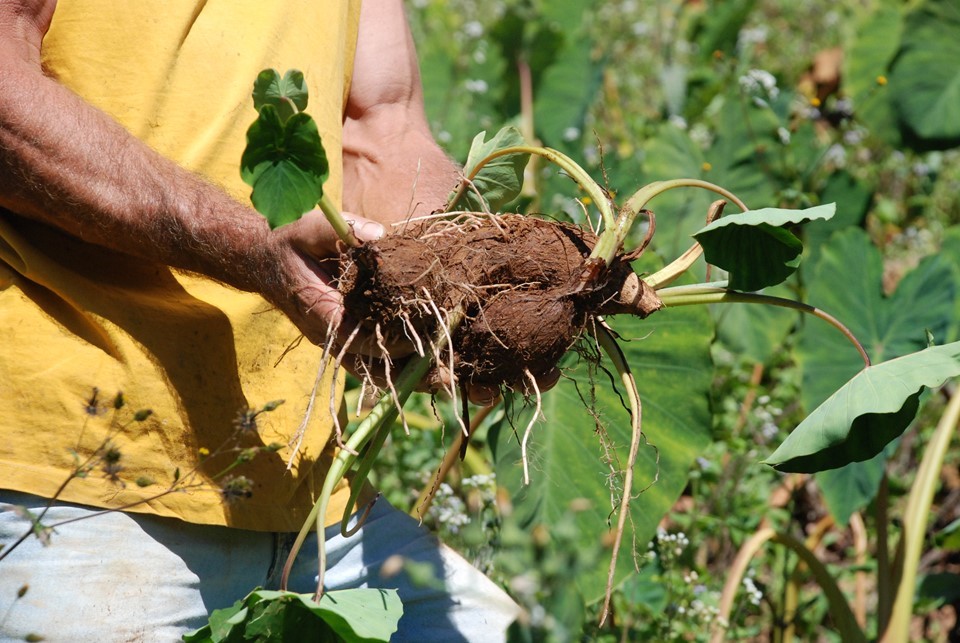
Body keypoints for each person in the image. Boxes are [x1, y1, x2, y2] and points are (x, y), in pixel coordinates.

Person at [0, 0, 519, 640]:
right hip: (78, 480)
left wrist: (485, 280)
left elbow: (379, 126)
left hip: (313, 499)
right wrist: (249, 245)